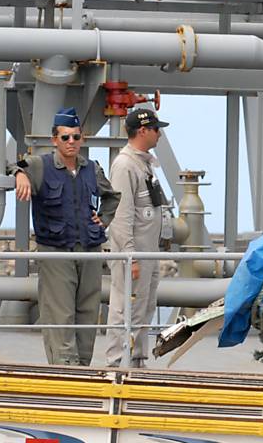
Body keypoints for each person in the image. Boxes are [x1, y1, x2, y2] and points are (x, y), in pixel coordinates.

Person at [9, 107, 120, 365]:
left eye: (76, 137)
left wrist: (102, 220)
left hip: (90, 250)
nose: (71, 142)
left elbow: (112, 196)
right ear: (54, 140)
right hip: (56, 252)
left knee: (88, 311)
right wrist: (20, 175)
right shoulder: (40, 165)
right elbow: (11, 164)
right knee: (60, 313)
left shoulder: (92, 168)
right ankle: (64, 369)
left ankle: (82, 367)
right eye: (65, 137)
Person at [105, 108, 170, 368]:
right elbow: (121, 217)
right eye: (156, 129)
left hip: (148, 253)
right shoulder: (124, 166)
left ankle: (137, 360)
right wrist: (130, 255)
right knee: (124, 307)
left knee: (144, 305)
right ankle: (115, 362)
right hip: (134, 254)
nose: (160, 134)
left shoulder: (144, 164)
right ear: (143, 131)